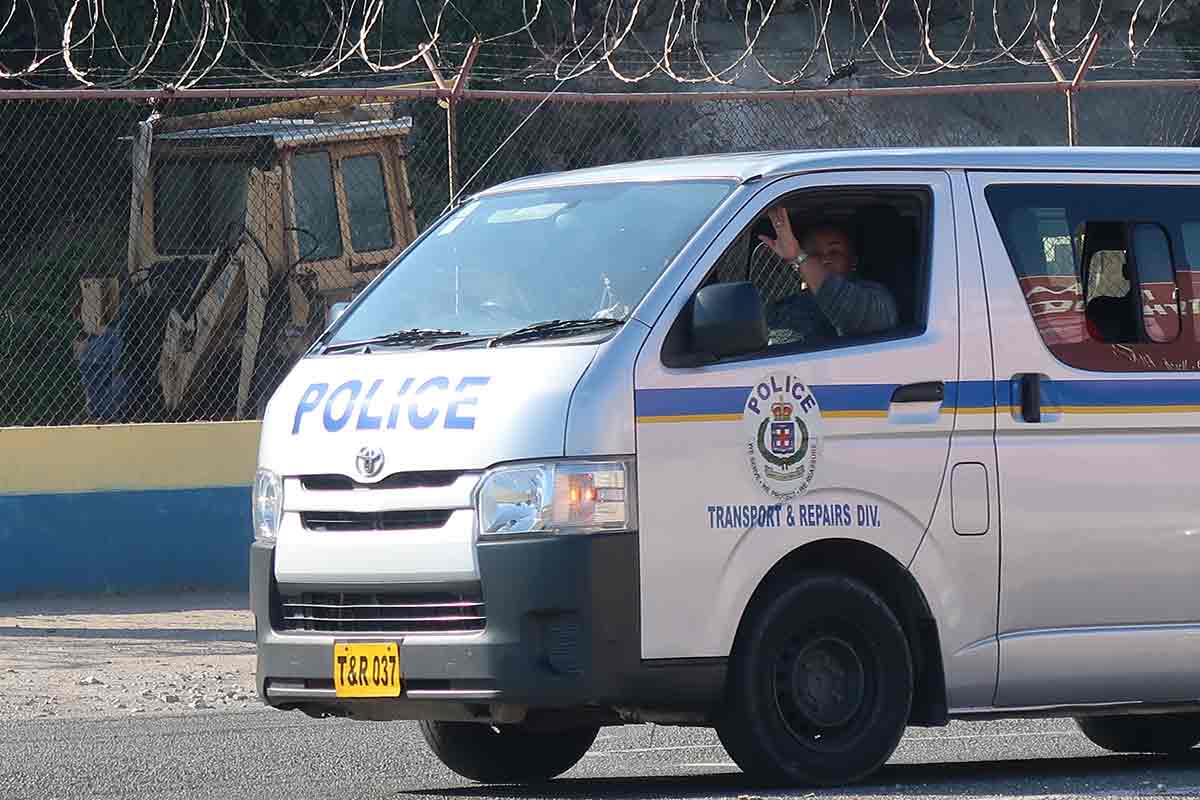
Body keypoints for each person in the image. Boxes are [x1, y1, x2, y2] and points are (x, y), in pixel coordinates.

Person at [756, 206, 898, 346]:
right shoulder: (783, 308)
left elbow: (855, 313)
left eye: (834, 252)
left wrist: (798, 256)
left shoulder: (877, 298)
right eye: (814, 253)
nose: (825, 259)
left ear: (853, 260)